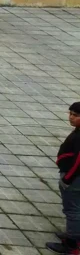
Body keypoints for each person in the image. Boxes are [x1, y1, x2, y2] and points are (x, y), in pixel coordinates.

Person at [47, 102, 80, 255]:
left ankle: (72, 244)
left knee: (72, 210)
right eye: (71, 114)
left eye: (76, 115)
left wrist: (67, 179)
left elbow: (79, 161)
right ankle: (73, 234)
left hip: (74, 179)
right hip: (72, 176)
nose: (71, 118)